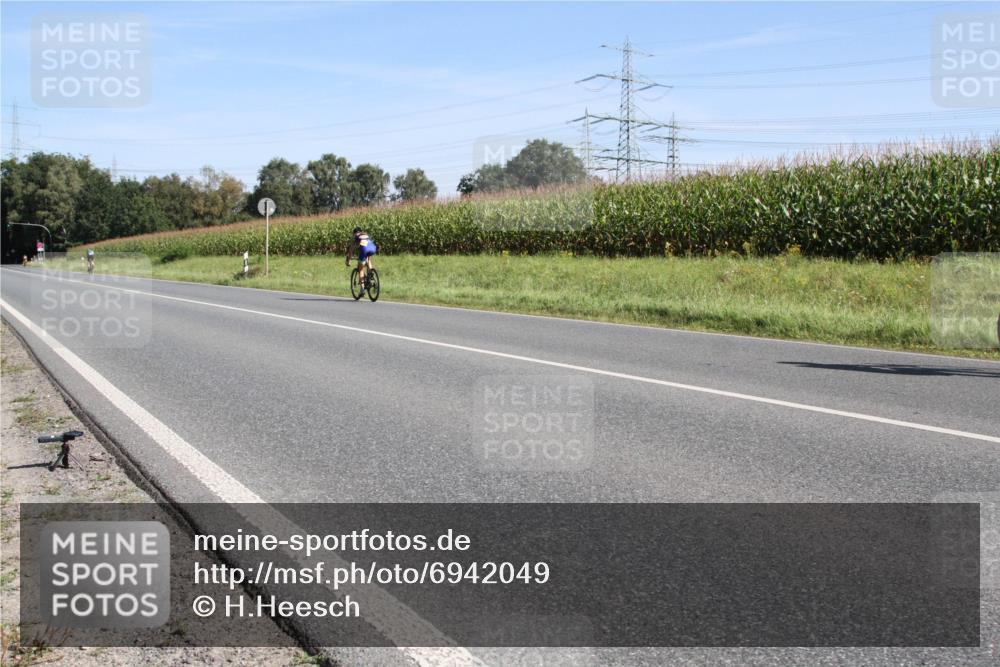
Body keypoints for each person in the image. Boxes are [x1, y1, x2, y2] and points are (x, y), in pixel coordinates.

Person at [346, 227, 377, 293]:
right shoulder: (365, 234)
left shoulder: (356, 237)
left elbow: (351, 250)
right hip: (372, 248)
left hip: (364, 249)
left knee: (360, 269)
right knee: (368, 258)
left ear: (354, 233)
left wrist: (349, 260)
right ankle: (371, 272)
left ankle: (362, 289)